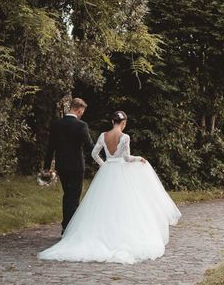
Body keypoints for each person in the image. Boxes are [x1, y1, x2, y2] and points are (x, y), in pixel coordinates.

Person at [38, 111, 181, 264]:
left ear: (113, 122)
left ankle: (98, 234)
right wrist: (139, 159)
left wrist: (105, 164)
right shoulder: (125, 137)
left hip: (107, 171)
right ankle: (120, 234)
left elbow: (94, 154)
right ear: (124, 123)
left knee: (102, 204)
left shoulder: (103, 136)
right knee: (123, 204)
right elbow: (126, 158)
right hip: (120, 171)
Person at [42, 97, 93, 234]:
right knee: (74, 197)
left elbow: (50, 148)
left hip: (62, 166)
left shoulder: (56, 124)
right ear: (78, 110)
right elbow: (89, 147)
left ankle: (66, 226)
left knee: (67, 195)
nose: (81, 114)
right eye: (81, 111)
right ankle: (71, 229)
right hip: (76, 166)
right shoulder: (81, 125)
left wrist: (46, 167)